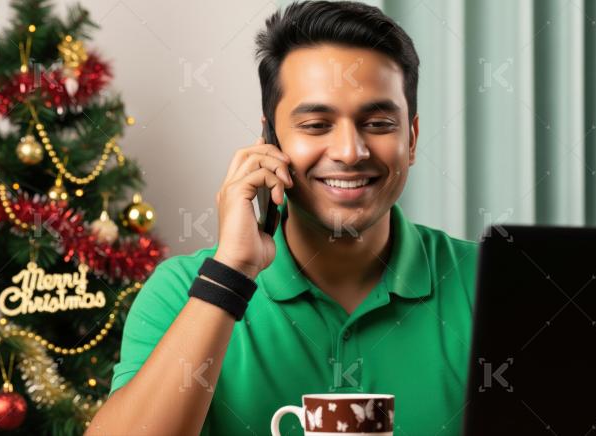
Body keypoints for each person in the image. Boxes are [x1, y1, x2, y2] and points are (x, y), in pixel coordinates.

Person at [88, 1, 478, 434]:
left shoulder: (487, 283)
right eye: (315, 125)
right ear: (269, 141)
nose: (350, 152)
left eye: (379, 123)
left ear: (412, 138)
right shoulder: (179, 292)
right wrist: (230, 274)